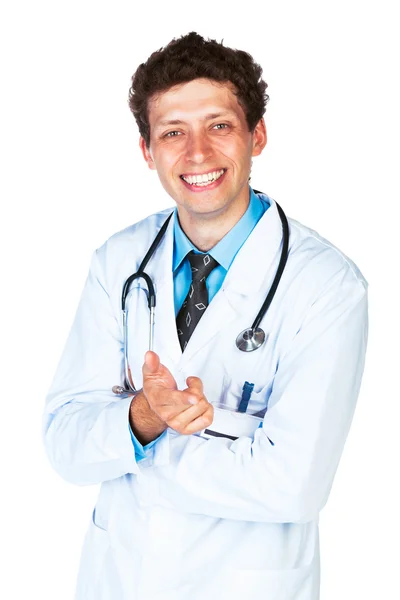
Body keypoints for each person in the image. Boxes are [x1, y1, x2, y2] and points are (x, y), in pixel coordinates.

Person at [43, 31, 368, 600]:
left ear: (256, 135)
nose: (197, 154)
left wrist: (131, 447)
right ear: (147, 152)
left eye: (219, 125)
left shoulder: (327, 285)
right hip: (121, 579)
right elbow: (65, 446)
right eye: (173, 132)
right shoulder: (117, 262)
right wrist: (146, 417)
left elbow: (294, 485)